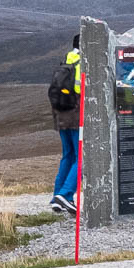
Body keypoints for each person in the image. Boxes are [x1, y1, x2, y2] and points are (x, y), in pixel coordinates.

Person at [49, 36, 82, 214]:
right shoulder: (81, 63)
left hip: (61, 117)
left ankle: (57, 197)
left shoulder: (65, 61)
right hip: (76, 118)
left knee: (68, 156)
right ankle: (66, 195)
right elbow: (81, 90)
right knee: (81, 158)